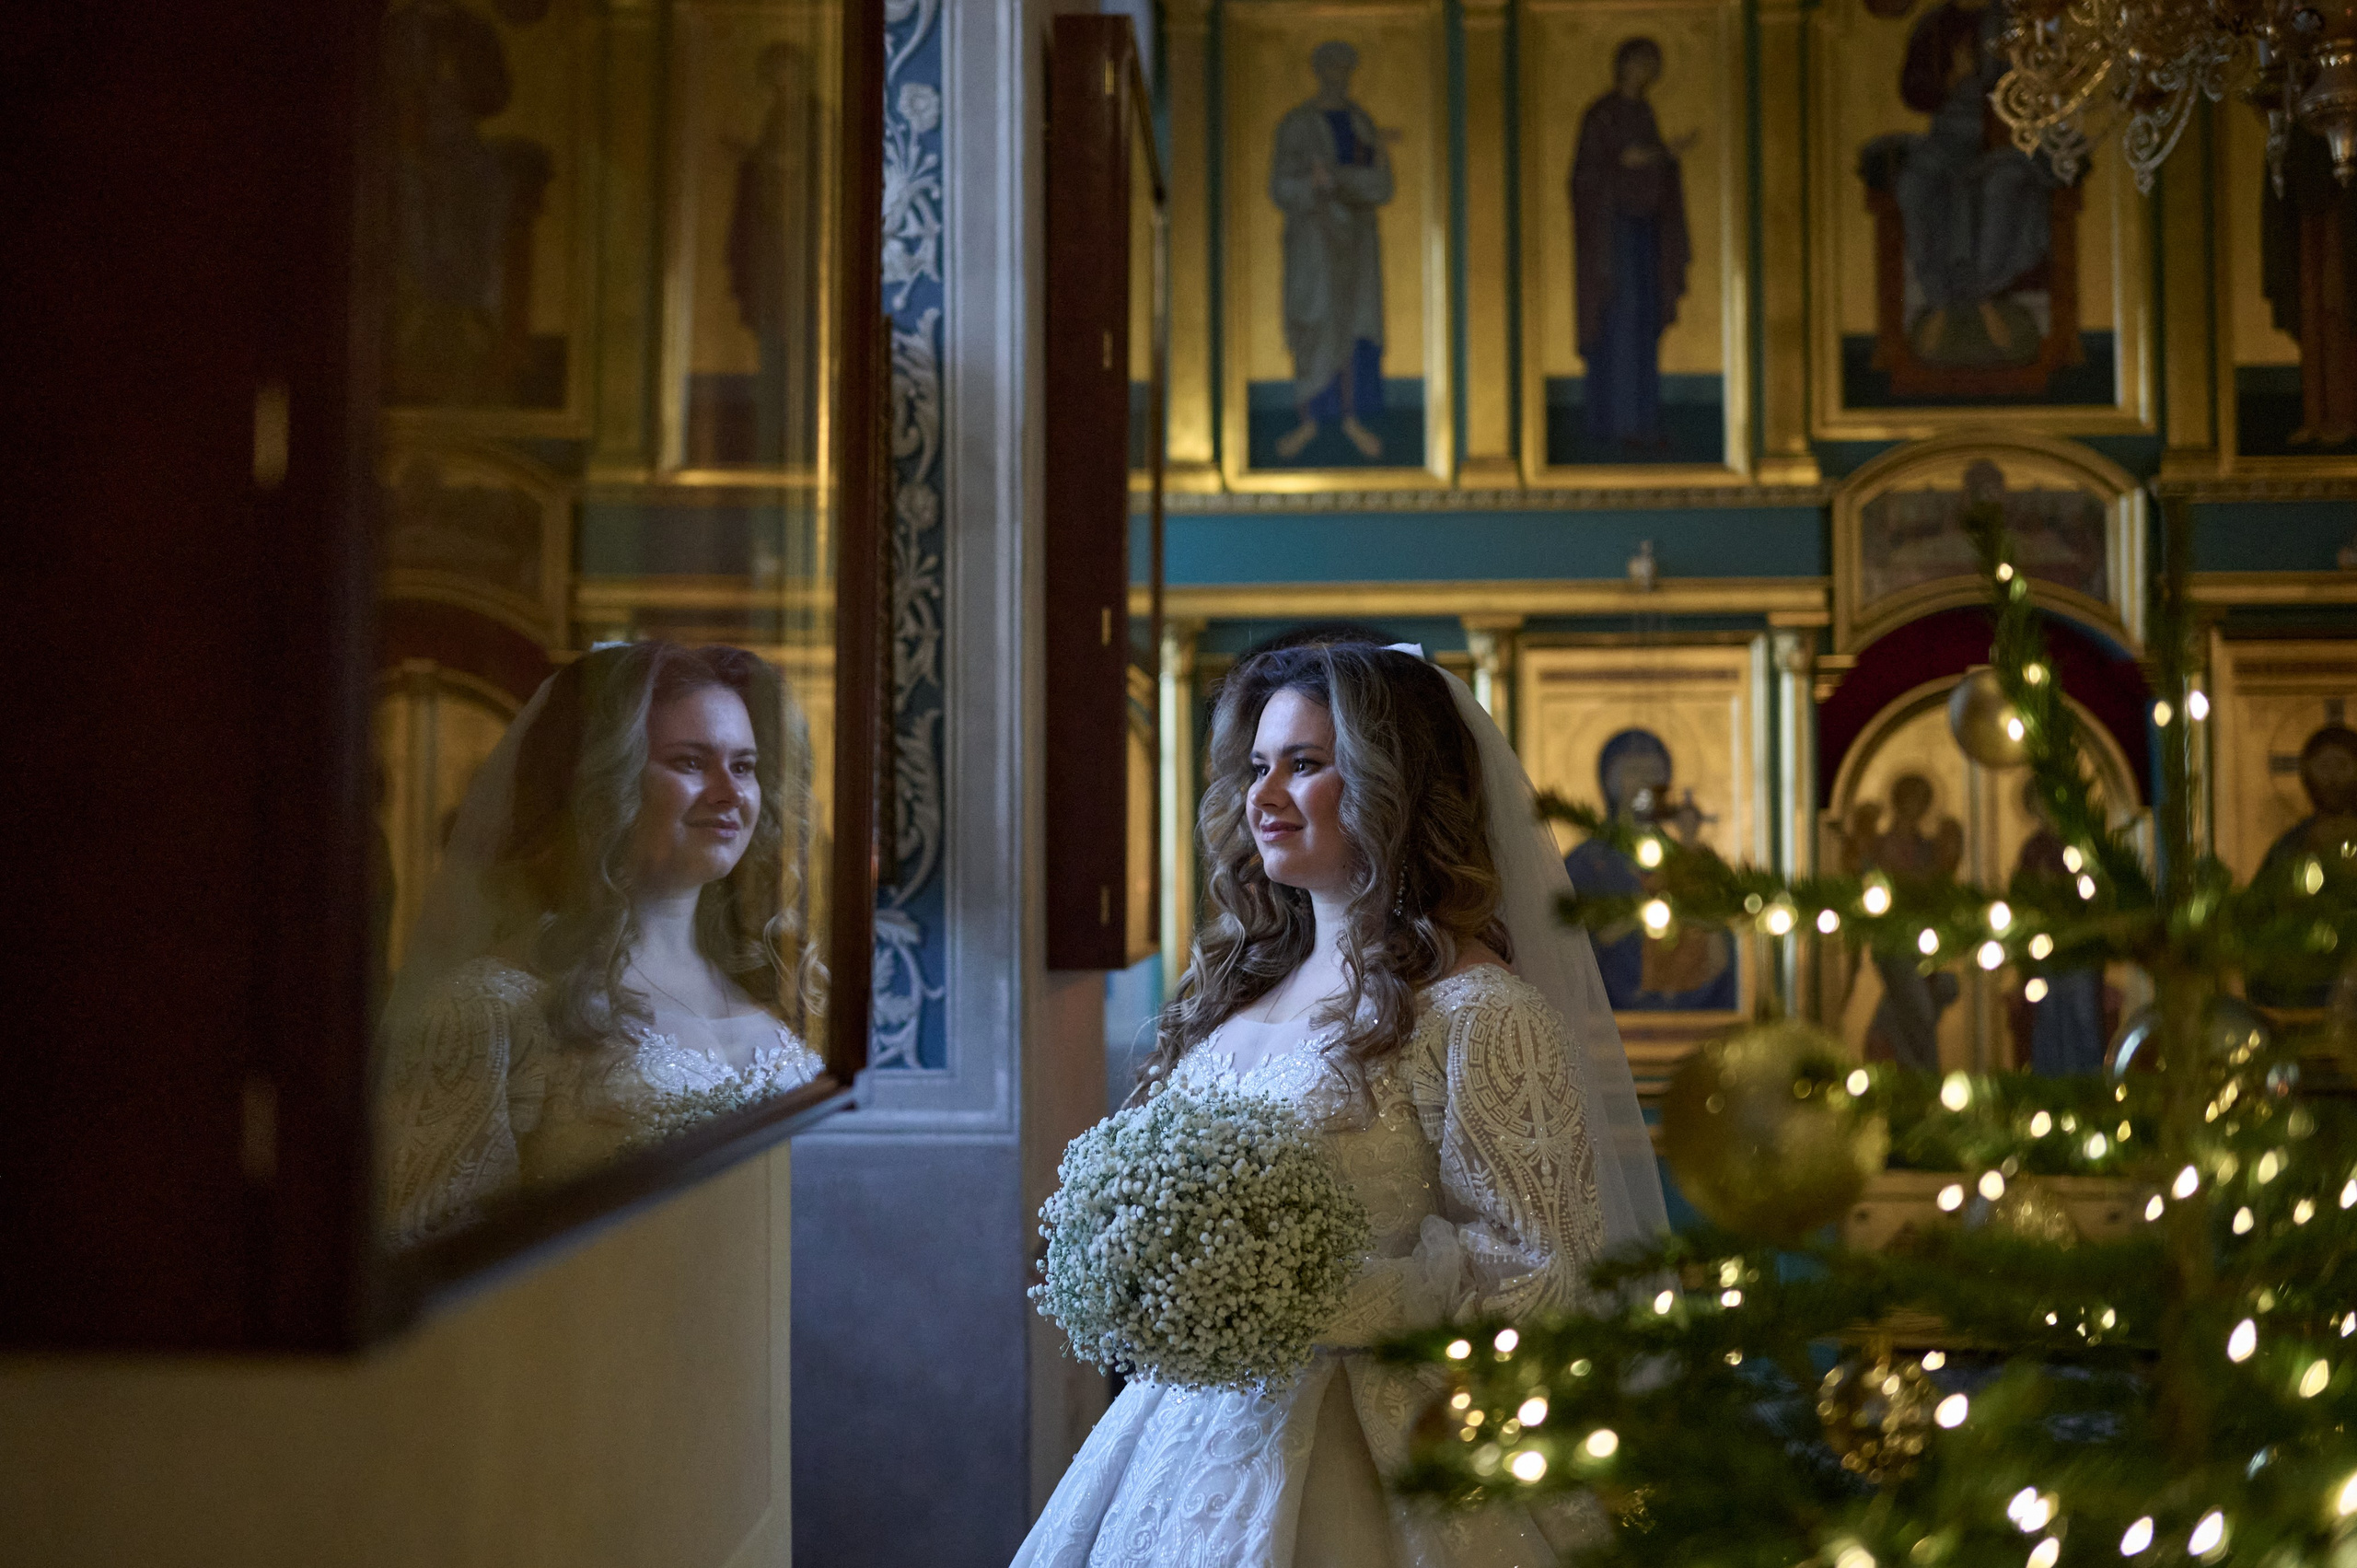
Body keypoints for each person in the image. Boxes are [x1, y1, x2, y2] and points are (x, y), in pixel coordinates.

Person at [1014, 641, 1666, 1568]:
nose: (1264, 794)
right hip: (1182, 1438)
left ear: (1395, 786)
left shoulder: (1480, 1010)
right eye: (1256, 765)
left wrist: (1310, 1299)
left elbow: (1541, 1276)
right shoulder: (1237, 991)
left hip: (1385, 1461)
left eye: (1306, 764)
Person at [377, 642, 825, 1248]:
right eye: (692, 762)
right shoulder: (489, 1005)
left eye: (743, 766)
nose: (729, 792)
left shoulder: (763, 982)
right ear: (604, 783)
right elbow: (430, 1258)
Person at [1889, 0, 2056, 364]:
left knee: (2001, 187)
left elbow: (2044, 86)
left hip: (2001, 142)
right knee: (1915, 185)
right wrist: (1951, 78)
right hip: (1946, 140)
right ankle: (1941, 300)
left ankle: (1983, 296)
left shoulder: (2013, 24)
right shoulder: (1934, 26)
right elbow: (1913, 90)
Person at [1269, 41, 1395, 462]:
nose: (1338, 77)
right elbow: (1280, 187)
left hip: (1358, 245)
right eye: (1331, 69)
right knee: (1315, 323)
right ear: (1318, 71)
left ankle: (1351, 419)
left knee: (1356, 326)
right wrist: (1312, 185)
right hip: (1314, 246)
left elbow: (1381, 185)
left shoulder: (1361, 124)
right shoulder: (1297, 125)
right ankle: (1308, 420)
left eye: (1345, 69)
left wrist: (1336, 179)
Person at [1571, 38, 1694, 453]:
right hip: (1611, 235)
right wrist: (1649, 157)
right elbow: (1589, 174)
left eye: (1652, 68)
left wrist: (1663, 159)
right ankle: (1618, 422)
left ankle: (1643, 421)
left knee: (1642, 325)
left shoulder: (1643, 112)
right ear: (1623, 65)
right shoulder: (1602, 114)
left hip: (1643, 231)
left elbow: (1646, 164)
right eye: (1640, 65)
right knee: (1620, 324)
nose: (1645, 74)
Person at [1562, 728, 1736, 1010]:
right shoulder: (1586, 860)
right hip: (1603, 1015)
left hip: (1687, 1006)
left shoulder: (1686, 858)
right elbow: (1565, 939)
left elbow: (1720, 937)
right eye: (1633, 771)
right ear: (1610, 781)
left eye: (1654, 772)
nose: (1645, 782)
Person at [1840, 772, 1962, 1072]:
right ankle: (1920, 1080)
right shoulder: (1880, 846)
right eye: (1908, 798)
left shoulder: (1928, 848)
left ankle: (1885, 1053)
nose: (1914, 806)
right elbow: (1863, 873)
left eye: (1921, 800)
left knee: (1909, 1007)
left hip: (1922, 944)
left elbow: (1939, 883)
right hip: (1891, 944)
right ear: (1896, 801)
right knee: (1920, 1010)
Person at [2260, 125, 2357, 448]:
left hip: (2342, 221)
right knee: (2314, 315)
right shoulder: (2291, 121)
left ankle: (2345, 416)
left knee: (2339, 314)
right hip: (2307, 221)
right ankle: (2317, 418)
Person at [2249, 725, 2357, 1007]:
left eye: (2342, 766)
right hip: (2299, 985)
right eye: (2324, 767)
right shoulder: (2291, 845)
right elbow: (2259, 911)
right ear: (2308, 774)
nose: (2332, 779)